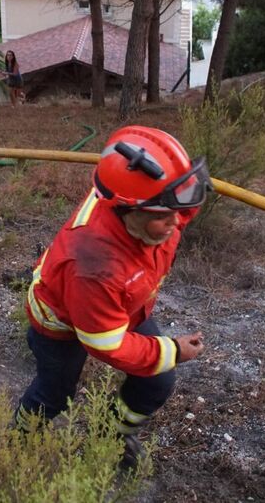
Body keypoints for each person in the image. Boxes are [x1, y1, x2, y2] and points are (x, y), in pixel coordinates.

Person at [15, 125, 210, 469]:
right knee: (54, 396)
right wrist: (174, 350)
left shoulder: (154, 207)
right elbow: (105, 343)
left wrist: (185, 182)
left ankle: (107, 438)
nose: (176, 223)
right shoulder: (95, 265)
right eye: (164, 216)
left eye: (178, 206)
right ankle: (13, 447)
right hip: (60, 321)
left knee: (157, 380)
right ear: (128, 211)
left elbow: (178, 207)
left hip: (121, 306)